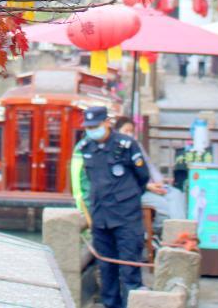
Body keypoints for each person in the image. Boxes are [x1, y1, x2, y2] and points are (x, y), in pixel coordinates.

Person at [72, 106, 167, 308]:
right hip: (100, 218)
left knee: (129, 268)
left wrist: (127, 199)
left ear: (107, 122)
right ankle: (111, 305)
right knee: (106, 269)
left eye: (96, 126)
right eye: (89, 127)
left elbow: (142, 177)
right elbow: (87, 180)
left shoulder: (127, 145)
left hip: (126, 217)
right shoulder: (85, 148)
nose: (92, 130)